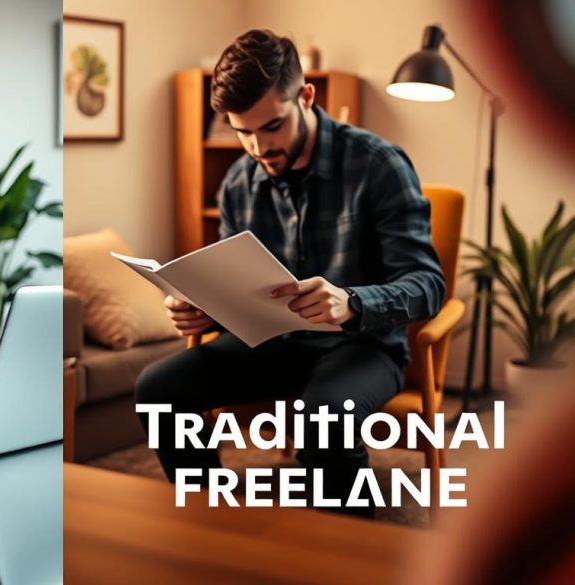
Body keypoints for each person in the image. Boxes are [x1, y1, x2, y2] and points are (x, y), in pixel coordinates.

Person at [135, 29, 446, 518]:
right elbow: (237, 286)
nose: (258, 147)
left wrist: (352, 302)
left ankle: (351, 542)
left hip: (363, 346)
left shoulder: (378, 165)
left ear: (306, 96)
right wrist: (206, 310)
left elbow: (428, 286)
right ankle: (209, 519)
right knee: (157, 389)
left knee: (325, 418)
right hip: (272, 344)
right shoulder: (238, 182)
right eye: (243, 132)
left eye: (272, 126)